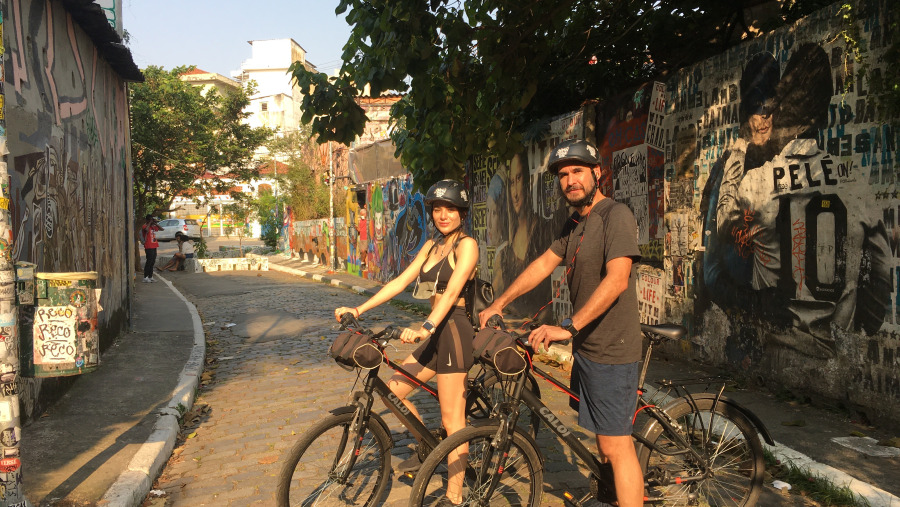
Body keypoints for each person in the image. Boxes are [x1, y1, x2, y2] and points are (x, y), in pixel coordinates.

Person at [480, 139, 644, 507]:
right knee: (603, 441)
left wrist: (567, 327)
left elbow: (618, 279)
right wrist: (500, 304)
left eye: (577, 171)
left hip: (613, 348)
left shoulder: (615, 216)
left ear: (597, 173)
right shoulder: (574, 223)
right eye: (563, 175)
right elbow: (542, 264)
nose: (570, 180)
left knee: (617, 447)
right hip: (589, 347)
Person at [335, 179, 478, 506]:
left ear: (461, 213)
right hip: (435, 330)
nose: (443, 215)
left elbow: (453, 291)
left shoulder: (466, 245)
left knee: (452, 420)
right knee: (394, 391)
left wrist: (426, 327)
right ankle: (429, 445)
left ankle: (454, 496)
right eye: (438, 209)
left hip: (454, 330)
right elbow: (400, 281)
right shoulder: (431, 246)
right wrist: (359, 307)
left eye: (451, 209)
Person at [140, 214, 162, 283]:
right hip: (148, 245)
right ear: (147, 220)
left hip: (154, 245)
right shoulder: (145, 226)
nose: (151, 221)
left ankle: (150, 276)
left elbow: (161, 229)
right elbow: (146, 230)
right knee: (149, 261)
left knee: (152, 262)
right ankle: (145, 277)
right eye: (149, 220)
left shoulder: (153, 227)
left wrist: (155, 223)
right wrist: (149, 223)